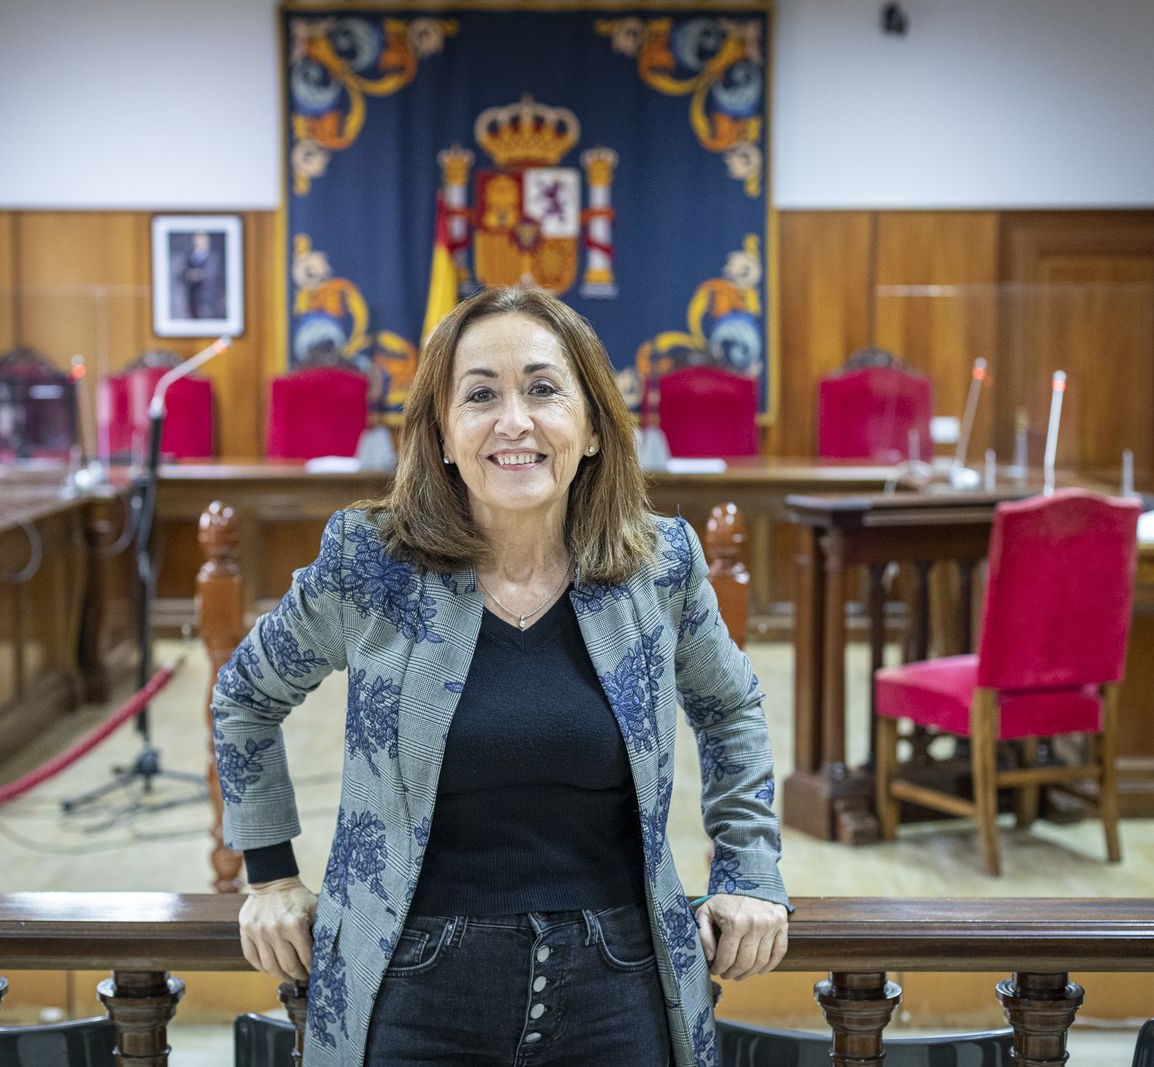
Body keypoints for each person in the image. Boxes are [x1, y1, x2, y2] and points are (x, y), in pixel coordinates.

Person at [211, 286, 791, 1067]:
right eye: (480, 394)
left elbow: (732, 707)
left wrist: (749, 866)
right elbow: (245, 694)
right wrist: (270, 872)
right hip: (409, 980)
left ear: (590, 427)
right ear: (443, 434)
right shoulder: (369, 564)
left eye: (544, 389)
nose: (513, 421)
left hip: (620, 976)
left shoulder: (662, 565)